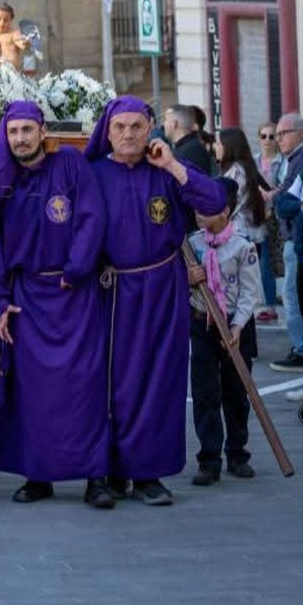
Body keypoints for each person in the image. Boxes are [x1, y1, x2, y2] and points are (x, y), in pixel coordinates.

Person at [85, 96, 227, 506]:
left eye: (136, 126)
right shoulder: (93, 174)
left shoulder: (167, 170)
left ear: (150, 129)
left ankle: (148, 474)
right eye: (120, 127)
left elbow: (215, 204)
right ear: (107, 132)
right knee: (114, 384)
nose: (128, 134)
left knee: (159, 383)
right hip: (112, 291)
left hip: (163, 289)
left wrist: (174, 167)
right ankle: (110, 470)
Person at [0, 100, 116, 508]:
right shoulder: (2, 185)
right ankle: (37, 475)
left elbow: (91, 217)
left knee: (85, 388)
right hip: (28, 299)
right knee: (31, 394)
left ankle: (96, 476)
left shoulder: (70, 165)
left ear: (42, 131)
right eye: (13, 132)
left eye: (27, 130)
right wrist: (1, 300)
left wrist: (75, 270)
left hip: (73, 293)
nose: (21, 138)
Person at [185, 180, 262, 485]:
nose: (199, 214)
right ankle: (209, 458)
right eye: (197, 209)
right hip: (203, 322)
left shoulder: (243, 247)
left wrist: (237, 325)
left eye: (207, 209)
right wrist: (188, 278)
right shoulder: (192, 245)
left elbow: (250, 292)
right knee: (205, 392)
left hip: (236, 324)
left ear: (225, 211)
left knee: (236, 390)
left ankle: (237, 452)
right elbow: (178, 284)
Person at [269, 112, 303, 372]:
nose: (278, 139)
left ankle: (302, 347)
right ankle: (300, 346)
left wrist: (293, 203)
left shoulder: (301, 160)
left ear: (301, 133)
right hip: (292, 236)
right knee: (291, 295)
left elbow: (284, 200)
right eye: (277, 134)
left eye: (284, 133)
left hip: (297, 237)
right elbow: (283, 200)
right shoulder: (291, 160)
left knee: (292, 296)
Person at [254, 122, 283, 319]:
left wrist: (270, 194)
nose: (267, 140)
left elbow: (286, 184)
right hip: (254, 216)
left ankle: (270, 304)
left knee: (268, 262)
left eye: (271, 136)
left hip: (274, 217)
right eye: (263, 136)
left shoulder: (282, 162)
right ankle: (262, 302)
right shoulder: (254, 161)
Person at [163, 104, 216, 177]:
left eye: (166, 120)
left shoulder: (192, 150)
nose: (164, 124)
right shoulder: (183, 148)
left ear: (174, 124)